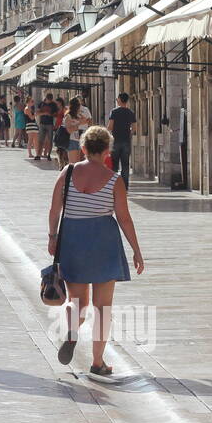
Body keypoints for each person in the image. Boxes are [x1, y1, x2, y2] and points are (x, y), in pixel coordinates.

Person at [47, 126, 145, 379]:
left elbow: (54, 209)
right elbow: (124, 218)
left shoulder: (67, 173)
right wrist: (136, 250)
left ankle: (71, 331)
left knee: (77, 300)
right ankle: (98, 362)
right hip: (104, 241)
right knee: (103, 307)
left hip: (72, 239)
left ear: (83, 148)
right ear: (107, 150)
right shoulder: (114, 179)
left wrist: (52, 237)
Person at [107, 93, 137, 188]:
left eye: (117, 98)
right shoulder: (130, 112)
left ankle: (114, 185)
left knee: (114, 164)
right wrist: (128, 133)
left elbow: (110, 127)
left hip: (115, 141)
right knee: (125, 165)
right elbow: (134, 128)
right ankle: (125, 186)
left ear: (119, 99)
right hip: (126, 141)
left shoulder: (114, 112)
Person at [37, 93, 57, 159]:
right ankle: (38, 155)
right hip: (42, 123)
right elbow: (37, 113)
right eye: (49, 100)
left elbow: (56, 114)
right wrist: (44, 113)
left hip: (50, 124)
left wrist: (51, 115)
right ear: (46, 99)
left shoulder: (53, 105)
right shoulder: (41, 104)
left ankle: (49, 155)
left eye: (50, 100)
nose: (49, 102)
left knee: (50, 140)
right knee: (40, 140)